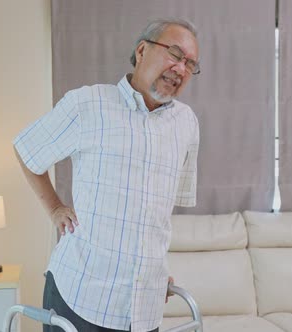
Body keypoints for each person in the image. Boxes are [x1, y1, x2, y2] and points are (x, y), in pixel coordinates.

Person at [13, 18, 200, 332]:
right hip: (81, 294)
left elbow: (159, 212)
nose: (181, 68)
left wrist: (153, 269)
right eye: (174, 54)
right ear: (142, 51)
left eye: (190, 64)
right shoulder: (88, 104)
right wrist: (56, 208)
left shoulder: (187, 123)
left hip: (144, 305)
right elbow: (27, 149)